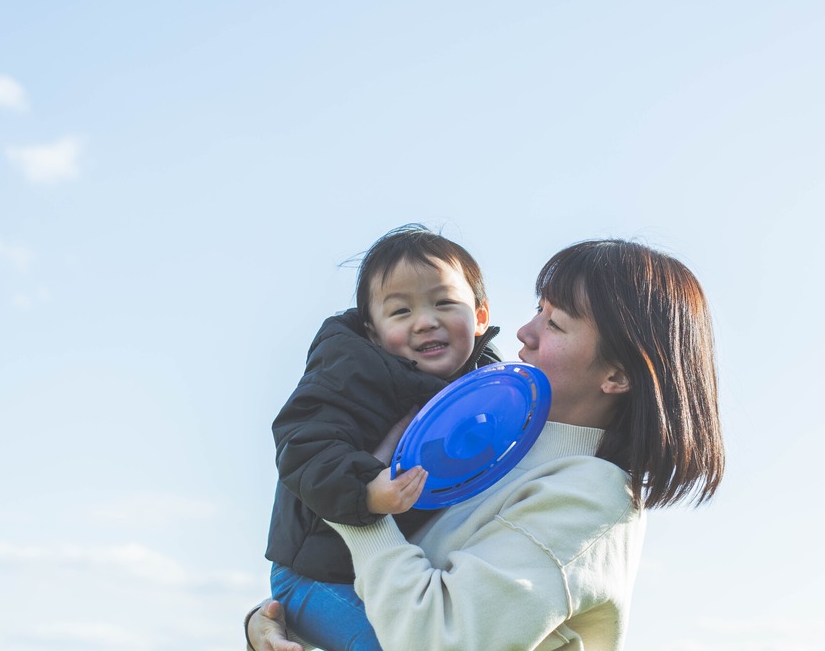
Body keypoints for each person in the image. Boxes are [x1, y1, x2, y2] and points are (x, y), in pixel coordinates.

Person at [248, 239, 725, 651]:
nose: (525, 332)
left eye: (556, 323)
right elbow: (385, 594)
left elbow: (436, 639)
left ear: (618, 375)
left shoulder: (590, 496)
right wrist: (276, 619)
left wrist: (359, 504)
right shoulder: (495, 448)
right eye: (540, 309)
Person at [266, 225, 502, 651]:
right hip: (317, 573)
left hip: (395, 575)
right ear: (372, 332)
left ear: (480, 315)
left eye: (444, 302)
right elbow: (303, 445)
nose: (426, 322)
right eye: (400, 312)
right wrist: (367, 490)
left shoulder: (491, 390)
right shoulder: (350, 371)